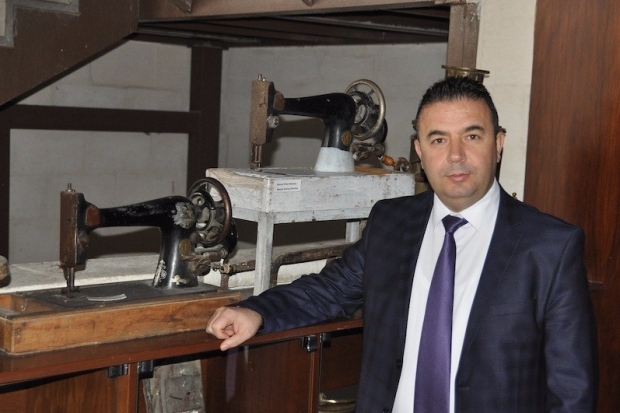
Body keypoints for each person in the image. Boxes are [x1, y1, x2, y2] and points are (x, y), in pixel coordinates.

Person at [206, 76, 598, 413]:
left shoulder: (550, 247)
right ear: (420, 151)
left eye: (472, 136)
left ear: (498, 143)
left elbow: (572, 392)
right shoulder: (391, 223)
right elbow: (329, 291)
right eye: (439, 139)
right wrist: (256, 311)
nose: (456, 155)